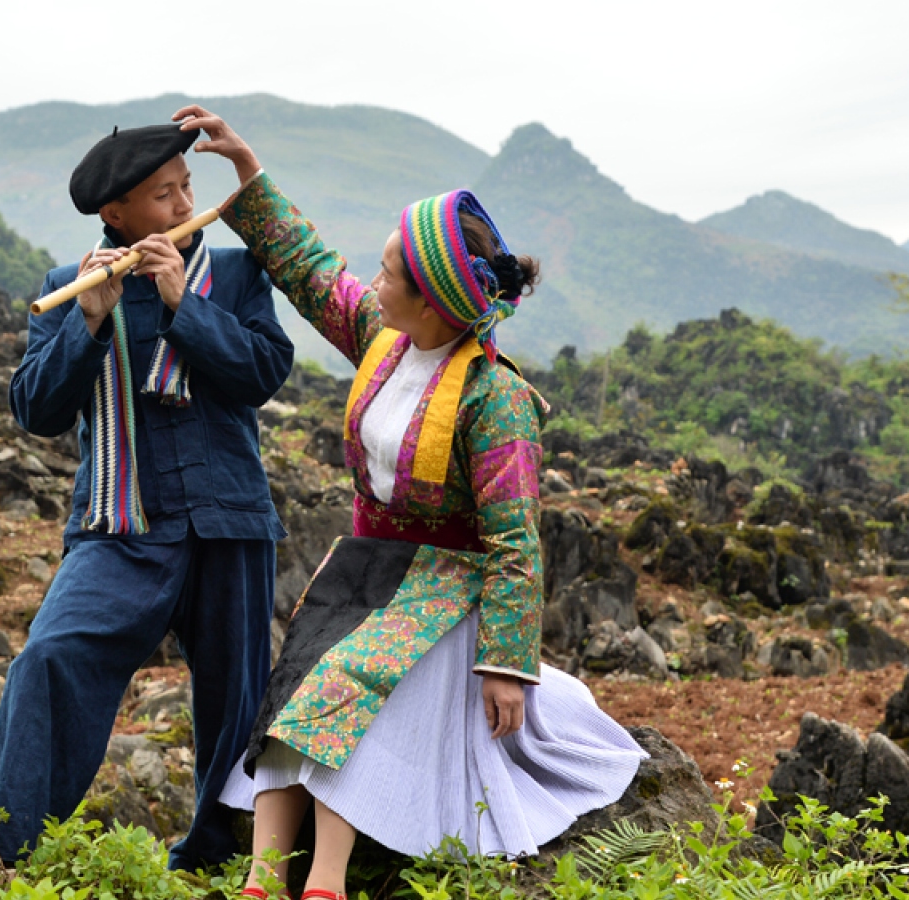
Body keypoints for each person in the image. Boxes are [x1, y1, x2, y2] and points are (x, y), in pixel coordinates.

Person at [173, 105, 649, 900]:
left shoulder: (495, 398)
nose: (373, 280)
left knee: (345, 687)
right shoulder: (383, 339)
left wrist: (506, 665)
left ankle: (324, 883)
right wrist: (248, 175)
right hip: (363, 571)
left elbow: (514, 539)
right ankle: (263, 878)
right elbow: (311, 271)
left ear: (429, 302)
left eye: (389, 271)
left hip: (444, 584)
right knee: (293, 688)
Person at [0, 122, 296, 870]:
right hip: (119, 525)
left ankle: (217, 860)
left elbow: (262, 373)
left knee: (236, 702)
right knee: (49, 657)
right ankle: (4, 850)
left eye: (186, 186)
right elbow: (36, 410)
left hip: (228, 519)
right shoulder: (70, 284)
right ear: (115, 214)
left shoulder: (236, 275)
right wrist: (89, 319)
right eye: (164, 194)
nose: (184, 203)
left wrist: (187, 303)